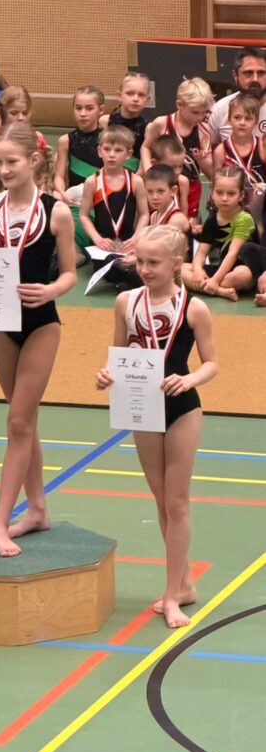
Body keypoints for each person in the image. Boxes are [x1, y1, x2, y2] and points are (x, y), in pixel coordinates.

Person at [0, 123, 77, 557]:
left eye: (11, 162)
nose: (3, 169)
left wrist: (50, 290)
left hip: (41, 322)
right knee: (23, 421)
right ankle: (38, 509)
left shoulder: (56, 212)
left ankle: (0, 521)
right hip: (0, 321)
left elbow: (69, 273)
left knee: (19, 423)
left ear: (33, 161)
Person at [95, 225, 218, 628]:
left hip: (181, 407)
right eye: (140, 261)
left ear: (176, 264)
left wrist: (189, 379)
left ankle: (172, 595)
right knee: (161, 500)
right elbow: (117, 354)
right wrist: (106, 373)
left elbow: (212, 363)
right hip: (142, 407)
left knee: (177, 501)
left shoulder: (194, 309)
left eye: (153, 262)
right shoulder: (126, 302)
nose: (144, 269)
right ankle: (183, 584)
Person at [79, 126, 148, 286]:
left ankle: (128, 276)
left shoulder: (135, 181)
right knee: (110, 265)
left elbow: (144, 214)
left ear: (128, 154)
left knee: (136, 262)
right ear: (99, 151)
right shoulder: (92, 182)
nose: (111, 154)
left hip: (128, 243)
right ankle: (127, 279)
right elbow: (83, 215)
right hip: (104, 246)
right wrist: (97, 239)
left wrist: (136, 238)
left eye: (118, 150)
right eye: (107, 149)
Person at [181, 166, 263, 301]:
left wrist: (215, 280)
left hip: (244, 269)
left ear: (241, 195)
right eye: (219, 193)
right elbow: (201, 252)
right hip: (222, 269)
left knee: (242, 275)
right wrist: (197, 270)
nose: (224, 198)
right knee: (180, 269)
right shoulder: (212, 219)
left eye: (231, 194)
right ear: (212, 193)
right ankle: (220, 291)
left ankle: (212, 287)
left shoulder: (244, 218)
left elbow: (233, 253)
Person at [141, 77, 214, 219]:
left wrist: (203, 161)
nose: (200, 117)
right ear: (179, 105)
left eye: (204, 112)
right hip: (162, 184)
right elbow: (146, 147)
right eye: (195, 112)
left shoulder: (204, 131)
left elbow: (210, 173)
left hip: (191, 187)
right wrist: (149, 169)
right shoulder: (162, 123)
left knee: (187, 223)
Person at [53, 85, 106, 262]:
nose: (83, 113)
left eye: (89, 108)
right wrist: (61, 192)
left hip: (101, 201)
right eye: (78, 108)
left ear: (101, 110)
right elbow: (59, 175)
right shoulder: (66, 140)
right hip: (75, 200)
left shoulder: (108, 139)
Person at [212, 93, 266, 224]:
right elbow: (216, 182)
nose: (242, 123)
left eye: (248, 118)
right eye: (237, 117)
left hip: (260, 205)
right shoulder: (221, 150)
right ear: (229, 120)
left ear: (256, 122)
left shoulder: (262, 146)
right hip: (232, 205)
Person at [206, 46, 266, 147]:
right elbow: (209, 150)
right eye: (248, 73)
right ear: (235, 75)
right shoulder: (219, 110)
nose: (255, 79)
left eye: (261, 73)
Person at [99, 72, 152, 169]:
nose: (135, 99)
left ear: (147, 100)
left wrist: (134, 177)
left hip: (136, 175)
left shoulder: (149, 128)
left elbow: (144, 162)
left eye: (141, 95)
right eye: (130, 93)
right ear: (119, 95)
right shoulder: (105, 121)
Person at [144, 165, 191, 236]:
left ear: (173, 191)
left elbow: (163, 243)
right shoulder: (154, 216)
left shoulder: (176, 220)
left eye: (160, 191)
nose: (154, 197)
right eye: (150, 191)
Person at [151, 136, 191, 218]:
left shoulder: (182, 182)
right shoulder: (146, 184)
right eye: (172, 167)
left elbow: (184, 214)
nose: (177, 172)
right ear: (155, 163)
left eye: (181, 166)